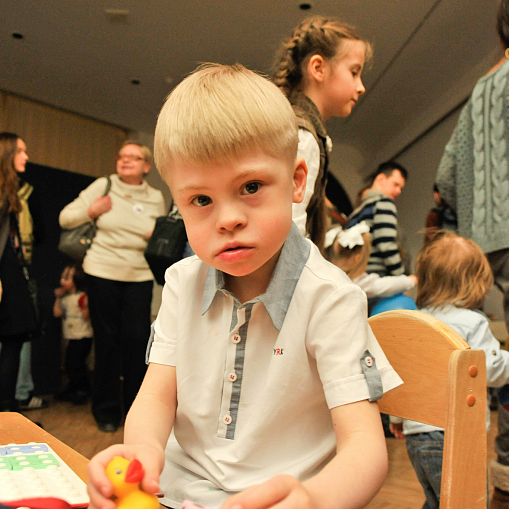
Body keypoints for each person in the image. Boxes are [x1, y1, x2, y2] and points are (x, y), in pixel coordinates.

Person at [86, 64, 403, 509]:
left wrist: (312, 499)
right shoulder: (181, 281)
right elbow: (157, 394)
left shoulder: (330, 298)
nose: (227, 218)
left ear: (297, 181)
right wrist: (142, 453)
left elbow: (366, 452)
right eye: (201, 200)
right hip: (175, 495)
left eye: (250, 186)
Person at [435, 2, 509, 505]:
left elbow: (445, 176)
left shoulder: (483, 85)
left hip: (484, 244)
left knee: (473, 353)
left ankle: (500, 466)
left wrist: (471, 227)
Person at [389, 230, 509, 508]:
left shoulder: (417, 321)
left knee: (437, 500)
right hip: (455, 435)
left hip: (416, 436)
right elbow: (488, 367)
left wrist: (397, 415)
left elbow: (404, 373)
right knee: (467, 499)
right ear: (475, 283)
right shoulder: (472, 323)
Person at [59, 140, 165, 432]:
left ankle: (135, 412)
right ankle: (105, 411)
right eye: (122, 156)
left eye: (134, 157)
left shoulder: (156, 196)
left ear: (146, 166)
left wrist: (153, 234)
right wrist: (91, 211)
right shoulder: (103, 185)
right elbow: (66, 217)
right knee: (107, 342)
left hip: (139, 275)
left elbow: (160, 234)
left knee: (136, 341)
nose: (125, 161)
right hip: (101, 270)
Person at [272, 16, 371, 250]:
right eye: (354, 72)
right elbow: (290, 228)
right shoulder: (303, 135)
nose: (361, 86)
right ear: (318, 68)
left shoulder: (296, 125)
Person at [0, 132, 38, 411]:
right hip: (5, 275)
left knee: (14, 339)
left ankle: (8, 408)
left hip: (12, 273)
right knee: (12, 337)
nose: (26, 156)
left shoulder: (10, 191)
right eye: (20, 151)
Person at [324, 221, 417, 300]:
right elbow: (382, 285)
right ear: (357, 257)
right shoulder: (356, 282)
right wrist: (410, 280)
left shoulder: (325, 275)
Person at [347, 161, 408, 276]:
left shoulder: (356, 212)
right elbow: (386, 245)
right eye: (396, 184)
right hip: (378, 277)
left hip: (355, 276)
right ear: (380, 179)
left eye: (401, 188)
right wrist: (401, 278)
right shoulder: (384, 202)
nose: (398, 191)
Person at [53, 264, 93, 405]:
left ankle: (82, 389)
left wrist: (86, 307)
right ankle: (74, 388)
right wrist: (58, 298)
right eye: (62, 277)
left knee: (76, 364)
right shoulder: (65, 298)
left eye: (67, 278)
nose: (62, 281)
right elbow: (57, 313)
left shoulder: (82, 297)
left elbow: (87, 316)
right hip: (71, 336)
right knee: (70, 364)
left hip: (83, 336)